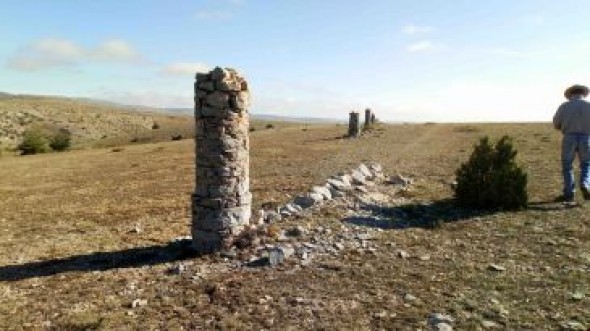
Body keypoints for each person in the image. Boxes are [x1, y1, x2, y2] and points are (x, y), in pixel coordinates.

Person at [553, 84, 590, 202]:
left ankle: (569, 194)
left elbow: (556, 123)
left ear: (570, 94)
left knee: (567, 165)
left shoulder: (564, 106)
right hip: (586, 137)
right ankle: (585, 183)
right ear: (583, 94)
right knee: (586, 164)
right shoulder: (588, 106)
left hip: (569, 137)